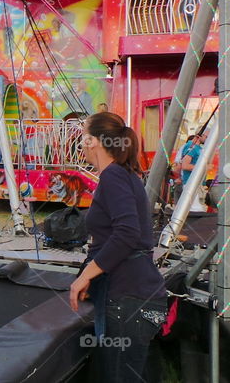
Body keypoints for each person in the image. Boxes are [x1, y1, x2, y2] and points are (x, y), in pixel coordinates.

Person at [69, 112, 167, 382]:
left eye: (83, 136)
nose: (81, 143)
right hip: (130, 295)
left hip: (128, 299)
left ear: (94, 141)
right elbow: (112, 238)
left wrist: (86, 277)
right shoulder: (121, 175)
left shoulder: (114, 176)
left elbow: (127, 234)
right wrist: (89, 274)